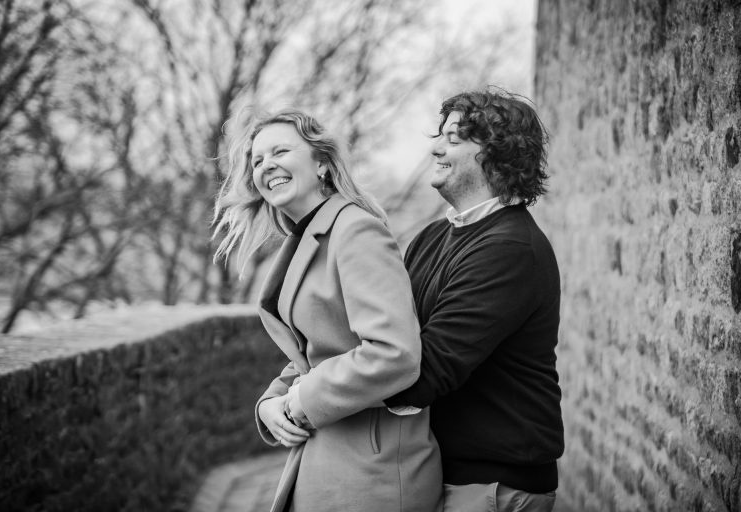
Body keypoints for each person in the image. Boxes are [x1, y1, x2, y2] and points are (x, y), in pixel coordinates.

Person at [212, 108, 443, 512]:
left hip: (374, 471)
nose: (267, 166)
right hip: (331, 456)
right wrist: (271, 402)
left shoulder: (356, 230)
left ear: (321, 162)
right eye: (257, 160)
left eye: (280, 151)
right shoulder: (306, 237)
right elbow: (321, 349)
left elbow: (395, 353)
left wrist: (302, 399)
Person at [384, 89, 564, 512]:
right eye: (440, 134)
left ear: (495, 153)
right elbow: (388, 334)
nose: (435, 146)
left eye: (454, 137)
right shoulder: (431, 237)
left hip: (492, 485)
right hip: (441, 472)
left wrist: (313, 397)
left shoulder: (511, 248)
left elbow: (423, 373)